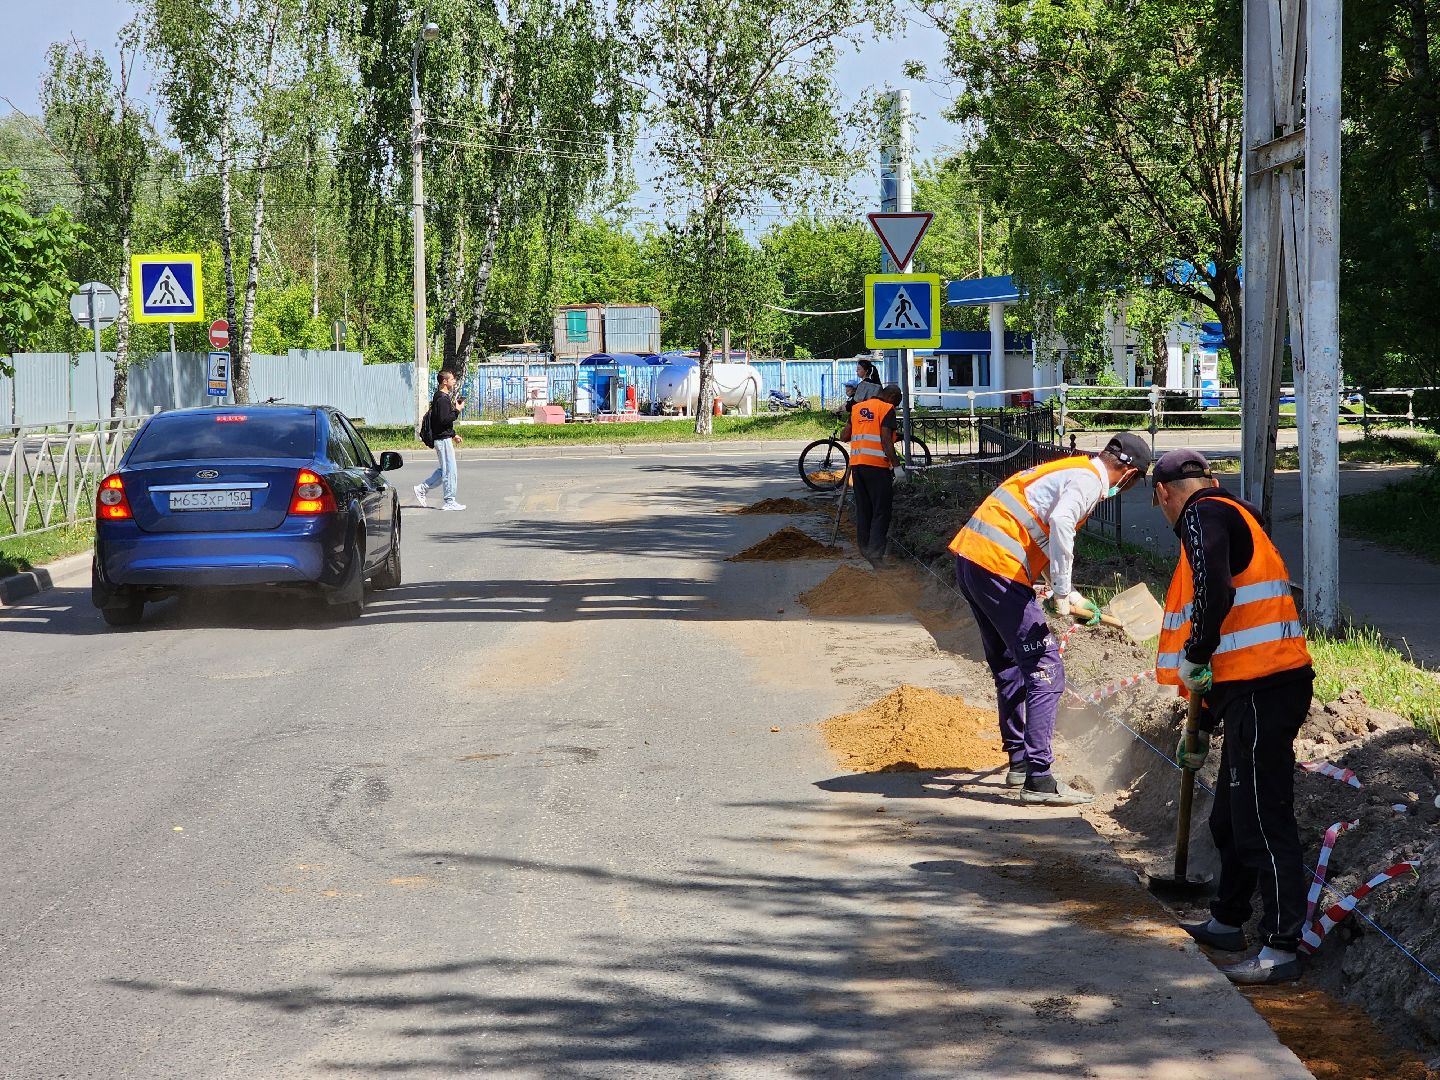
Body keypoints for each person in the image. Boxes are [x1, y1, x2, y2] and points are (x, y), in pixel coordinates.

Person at [1151, 449, 1314, 986]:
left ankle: (1281, 947)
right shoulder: (1230, 512)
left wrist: (1196, 652)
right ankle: (1227, 919)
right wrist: (1205, 726)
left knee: (1263, 822)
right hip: (1251, 692)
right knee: (1228, 818)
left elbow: (1215, 592)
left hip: (1266, 690)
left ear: (1163, 495)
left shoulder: (1202, 515)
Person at [948, 433, 1151, 806]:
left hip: (974, 561)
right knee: (1045, 667)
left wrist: (1068, 593)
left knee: (1010, 664)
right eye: (1134, 482)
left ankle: (1021, 763)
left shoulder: (1070, 470)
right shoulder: (1090, 481)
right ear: (1128, 473)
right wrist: (1061, 590)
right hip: (998, 569)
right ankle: (1039, 780)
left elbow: (1037, 531)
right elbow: (1059, 523)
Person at [838, 383, 903, 567]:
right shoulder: (886, 409)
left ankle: (865, 549)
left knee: (864, 509)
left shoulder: (857, 408)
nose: (896, 407)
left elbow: (844, 436)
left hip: (857, 467)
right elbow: (885, 440)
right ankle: (875, 554)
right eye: (897, 403)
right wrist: (897, 467)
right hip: (877, 467)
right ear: (891, 397)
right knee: (881, 511)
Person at [415, 370, 466, 511]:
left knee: (446, 470)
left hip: (443, 438)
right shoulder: (442, 399)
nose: (454, 381)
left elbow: (440, 422)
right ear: (445, 381)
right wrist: (457, 410)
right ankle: (449, 501)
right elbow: (444, 420)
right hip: (442, 441)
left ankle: (422, 488)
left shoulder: (441, 397)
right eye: (452, 379)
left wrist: (453, 434)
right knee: (450, 471)